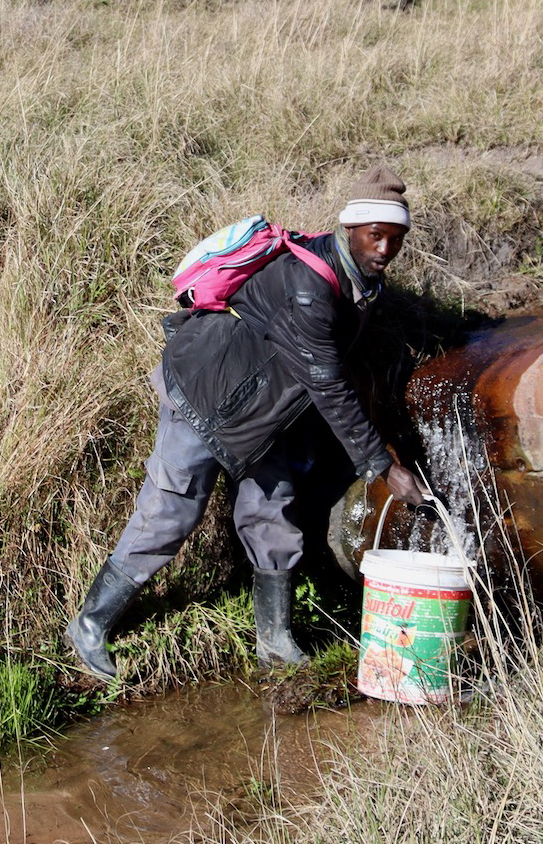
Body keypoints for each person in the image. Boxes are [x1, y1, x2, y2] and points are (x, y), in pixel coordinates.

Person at [66, 164, 433, 681]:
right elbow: (328, 383)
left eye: (396, 240)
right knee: (171, 510)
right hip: (206, 392)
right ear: (351, 229)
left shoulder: (357, 281)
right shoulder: (309, 288)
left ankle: (275, 643)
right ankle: (89, 624)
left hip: (263, 412)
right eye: (376, 236)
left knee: (271, 512)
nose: (384, 251)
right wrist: (380, 467)